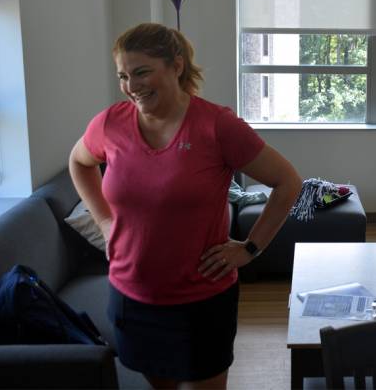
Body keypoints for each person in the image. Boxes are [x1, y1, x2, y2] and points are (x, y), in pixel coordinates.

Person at [69, 23, 302, 389]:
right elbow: (79, 162)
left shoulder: (216, 125)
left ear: (176, 66)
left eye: (142, 71)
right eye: (123, 76)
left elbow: (288, 182)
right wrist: (103, 220)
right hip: (132, 298)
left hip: (201, 302)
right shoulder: (110, 124)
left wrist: (251, 248)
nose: (132, 86)